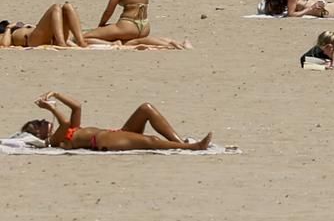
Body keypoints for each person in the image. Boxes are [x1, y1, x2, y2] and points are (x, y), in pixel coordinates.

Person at [22, 93, 211, 152]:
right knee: (150, 141)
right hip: (105, 141)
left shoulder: (69, 131)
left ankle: (178, 143)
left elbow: (77, 107)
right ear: (40, 134)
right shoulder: (54, 141)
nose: (44, 121)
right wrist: (51, 108)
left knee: (146, 108)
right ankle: (193, 148)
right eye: (40, 123)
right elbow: (63, 123)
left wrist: (56, 94)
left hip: (113, 133)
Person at [0, 2, 92, 47]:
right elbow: (4, 45)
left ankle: (81, 41)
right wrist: (8, 28)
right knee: (55, 7)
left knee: (67, 6)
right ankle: (61, 43)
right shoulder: (4, 34)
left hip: (49, 37)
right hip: (31, 40)